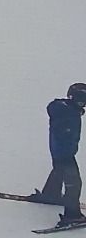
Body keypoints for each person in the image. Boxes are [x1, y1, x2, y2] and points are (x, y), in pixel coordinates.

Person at [30, 83, 86, 229]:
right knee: (74, 183)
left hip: (57, 151)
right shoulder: (70, 114)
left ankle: (51, 193)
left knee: (58, 170)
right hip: (65, 154)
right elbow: (67, 134)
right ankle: (72, 216)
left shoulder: (63, 108)